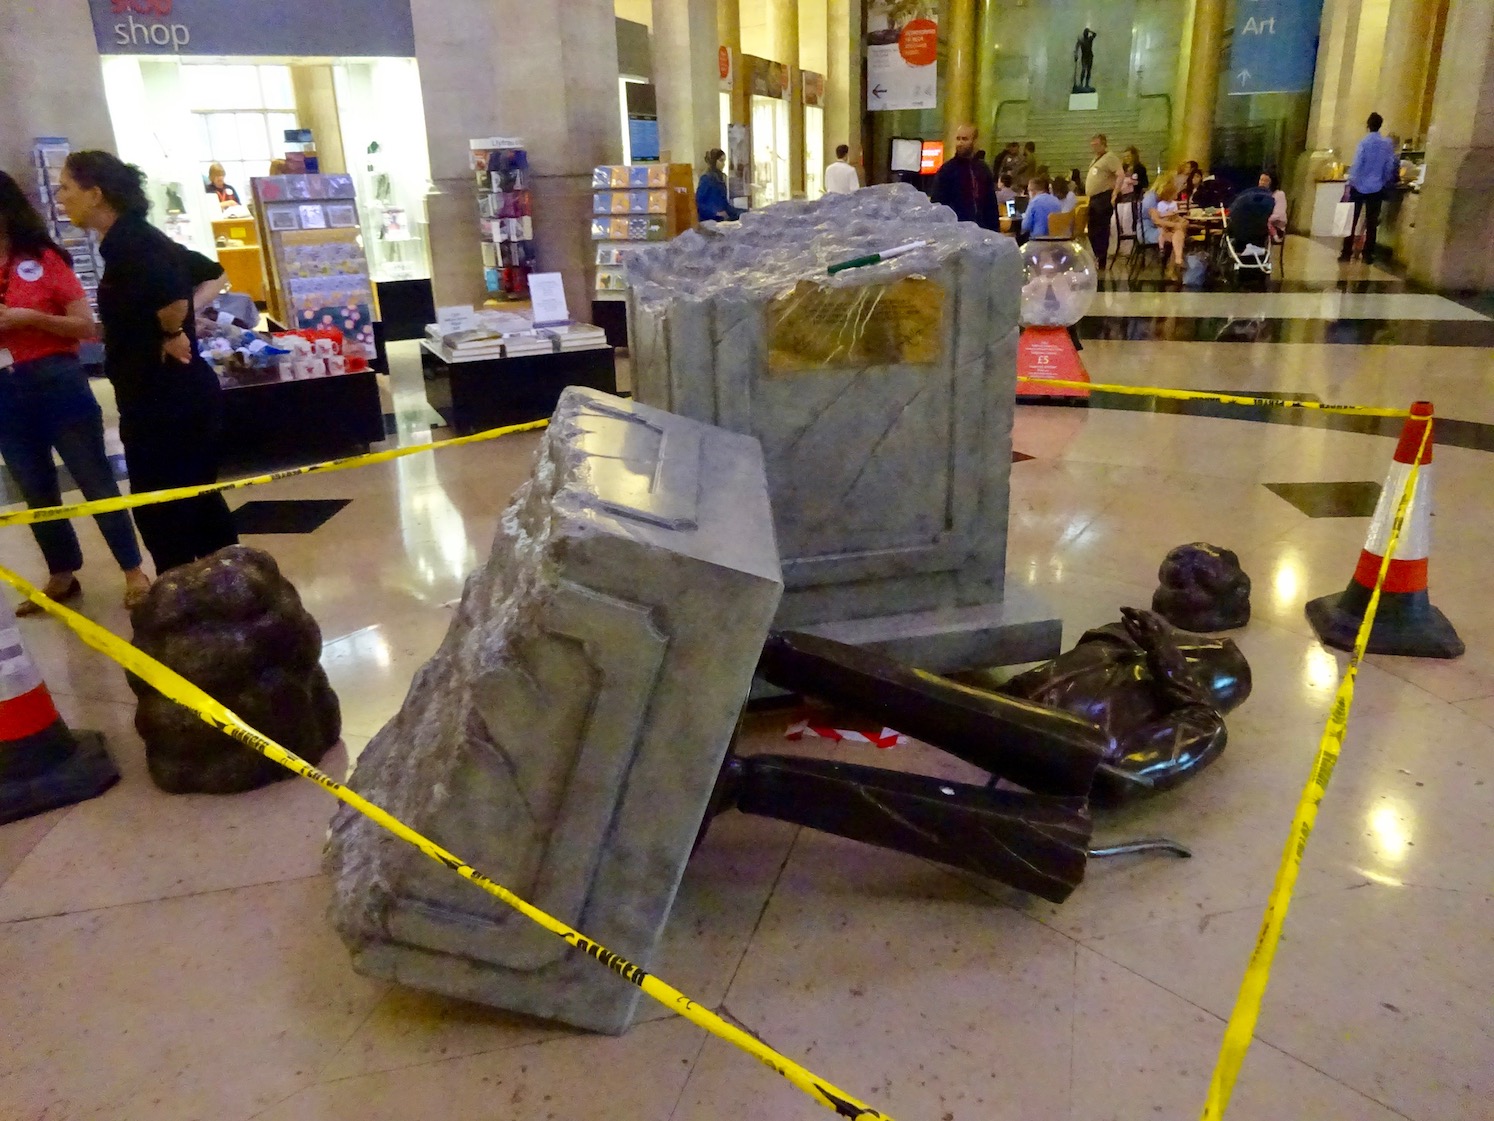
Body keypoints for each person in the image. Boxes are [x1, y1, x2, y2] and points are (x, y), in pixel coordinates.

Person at [56, 151, 239, 576]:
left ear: (95, 194)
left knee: (163, 509)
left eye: (66, 187)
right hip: (165, 395)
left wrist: (174, 330)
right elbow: (210, 273)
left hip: (166, 399)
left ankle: (190, 591)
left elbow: (172, 294)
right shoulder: (134, 237)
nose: (60, 197)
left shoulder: (130, 242)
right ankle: (228, 583)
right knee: (193, 499)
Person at [0, 171, 151, 612]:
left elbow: (85, 326)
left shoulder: (44, 259)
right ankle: (61, 573)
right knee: (34, 486)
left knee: (93, 477)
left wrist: (30, 318)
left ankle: (133, 570)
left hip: (56, 380)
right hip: (4, 390)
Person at [1341, 112, 1400, 263]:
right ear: (1380, 125)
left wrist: (1350, 183)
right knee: (1372, 222)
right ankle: (1368, 254)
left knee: (1352, 220)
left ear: (1368, 125)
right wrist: (1384, 180)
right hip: (1377, 187)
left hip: (1359, 185)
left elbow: (1357, 164)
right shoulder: (1386, 145)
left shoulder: (1363, 143)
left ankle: (1346, 252)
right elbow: (1389, 165)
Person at [932, 124, 998, 230]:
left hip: (981, 230)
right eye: (958, 139)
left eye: (965, 139)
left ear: (975, 141)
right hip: (956, 230)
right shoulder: (947, 170)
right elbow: (938, 205)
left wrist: (994, 232)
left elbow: (991, 205)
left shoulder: (983, 169)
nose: (960, 143)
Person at [1084, 133, 1123, 268]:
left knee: (1101, 229)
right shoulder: (1096, 159)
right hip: (1094, 198)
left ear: (1103, 144)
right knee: (1092, 228)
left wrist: (1115, 193)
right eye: (1092, 144)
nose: (1094, 147)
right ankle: (1097, 254)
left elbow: (1120, 175)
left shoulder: (1110, 157)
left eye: (1097, 144)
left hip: (1103, 197)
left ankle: (1101, 258)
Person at [1148, 176, 1189, 275]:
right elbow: (1157, 220)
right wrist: (1174, 224)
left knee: (1180, 230)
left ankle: (1175, 264)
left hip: (1168, 226)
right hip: (1154, 229)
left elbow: (1174, 215)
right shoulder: (1152, 201)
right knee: (1179, 232)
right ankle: (1175, 263)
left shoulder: (1169, 202)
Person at [695, 148, 739, 222]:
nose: (723, 164)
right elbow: (698, 203)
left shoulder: (721, 179)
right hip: (709, 222)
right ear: (714, 161)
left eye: (724, 161)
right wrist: (715, 213)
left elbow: (725, 205)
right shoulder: (706, 178)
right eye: (721, 160)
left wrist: (742, 212)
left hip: (721, 221)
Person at [1019, 176, 1063, 244]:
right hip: (1055, 239)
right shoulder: (1056, 200)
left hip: (1038, 240)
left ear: (1032, 191)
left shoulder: (1034, 202)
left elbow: (1025, 226)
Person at [1260, 171, 1288, 240]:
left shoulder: (1279, 194)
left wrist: (1264, 219)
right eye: (1261, 180)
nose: (1262, 183)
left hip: (1275, 227)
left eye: (1266, 181)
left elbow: (1279, 214)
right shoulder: (1259, 195)